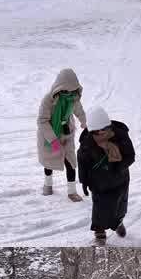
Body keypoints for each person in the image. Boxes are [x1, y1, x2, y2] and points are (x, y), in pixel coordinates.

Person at [77, 107, 135, 245]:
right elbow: (82, 163)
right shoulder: (87, 143)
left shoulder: (120, 135)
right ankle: (99, 231)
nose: (101, 133)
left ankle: (118, 222)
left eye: (103, 128)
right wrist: (84, 182)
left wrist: (119, 167)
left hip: (119, 179)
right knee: (100, 207)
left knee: (120, 204)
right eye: (97, 131)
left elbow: (130, 156)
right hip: (98, 182)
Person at [36, 68, 89, 201]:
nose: (70, 93)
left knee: (70, 161)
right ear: (60, 87)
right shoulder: (48, 100)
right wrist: (53, 140)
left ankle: (72, 191)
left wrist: (85, 122)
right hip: (49, 135)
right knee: (49, 161)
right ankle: (47, 185)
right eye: (67, 90)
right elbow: (42, 121)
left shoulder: (73, 98)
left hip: (67, 134)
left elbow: (79, 111)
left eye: (72, 90)